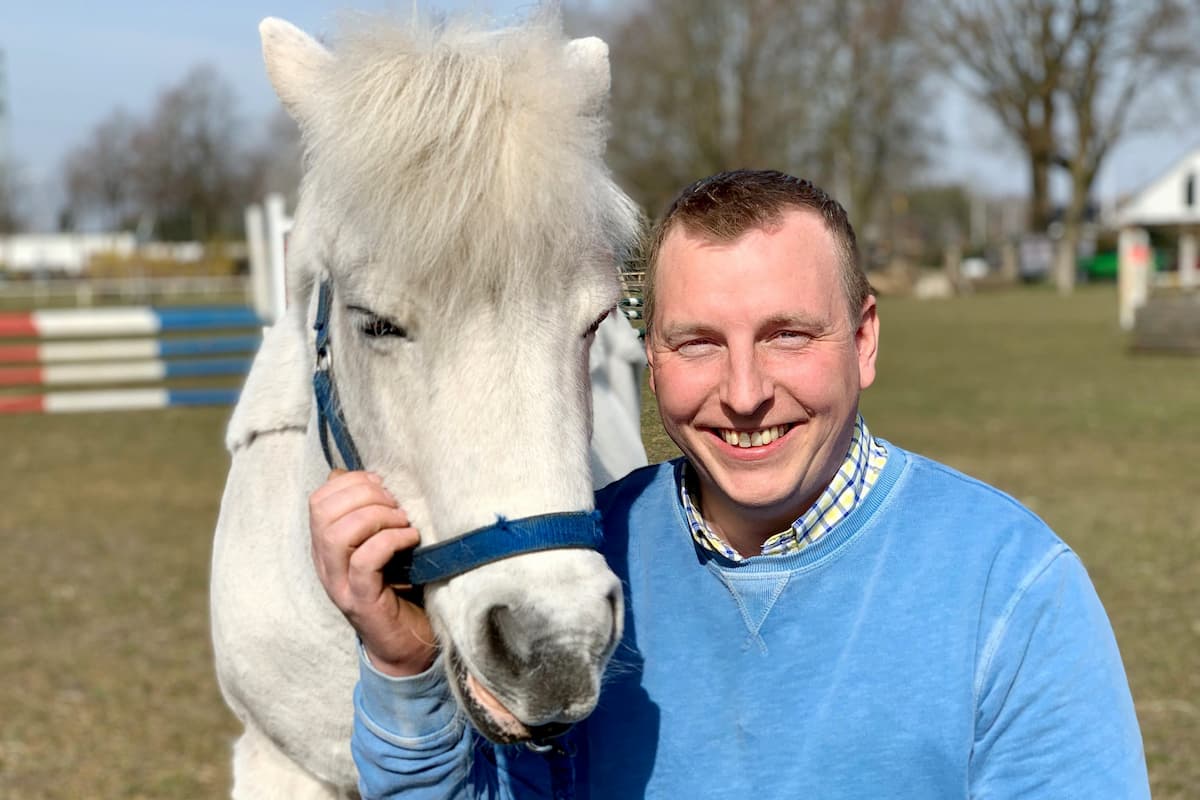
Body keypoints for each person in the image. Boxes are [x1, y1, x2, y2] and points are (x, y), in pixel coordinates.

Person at [309, 170, 1150, 798]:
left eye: (787, 334)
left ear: (862, 341)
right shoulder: (580, 566)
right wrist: (404, 666)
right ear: (648, 358)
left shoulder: (1011, 586)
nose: (744, 392)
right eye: (698, 342)